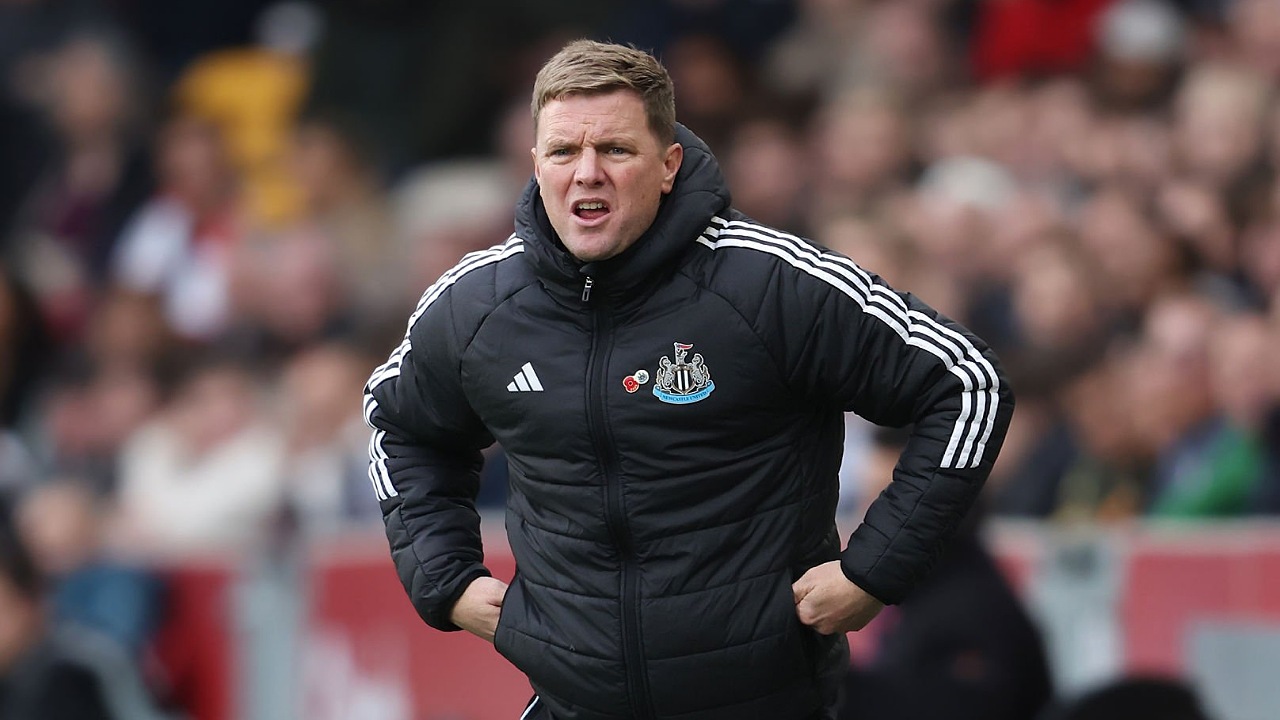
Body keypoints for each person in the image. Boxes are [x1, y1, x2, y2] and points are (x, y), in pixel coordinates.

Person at [363, 40, 1013, 720]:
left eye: (614, 150)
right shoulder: (476, 307)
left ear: (669, 164)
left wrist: (872, 570)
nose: (587, 173)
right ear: (535, 165)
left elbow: (969, 383)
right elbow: (398, 423)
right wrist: (448, 579)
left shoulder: (769, 285)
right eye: (563, 152)